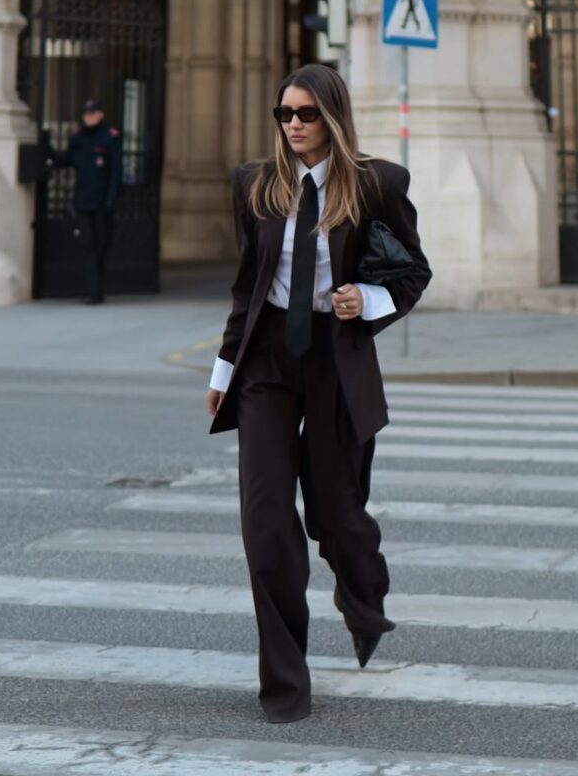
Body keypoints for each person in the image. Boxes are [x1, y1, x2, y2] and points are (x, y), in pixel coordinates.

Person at [207, 63, 431, 724]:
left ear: (331, 117)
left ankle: (363, 598)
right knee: (266, 525)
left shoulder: (377, 183)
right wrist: (222, 372)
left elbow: (413, 272)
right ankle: (284, 685)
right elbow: (247, 287)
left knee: (336, 515)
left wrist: (369, 299)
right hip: (268, 363)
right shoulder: (255, 184)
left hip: (336, 358)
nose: (294, 125)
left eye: (306, 113)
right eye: (285, 114)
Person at [48, 99, 122, 304]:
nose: (88, 117)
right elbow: (65, 160)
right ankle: (94, 292)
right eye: (86, 114)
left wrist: (111, 199)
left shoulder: (110, 138)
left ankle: (98, 287)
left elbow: (116, 172)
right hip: (83, 201)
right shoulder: (78, 139)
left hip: (102, 202)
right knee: (88, 246)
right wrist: (47, 151)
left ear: (100, 115)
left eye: (92, 113)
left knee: (101, 246)